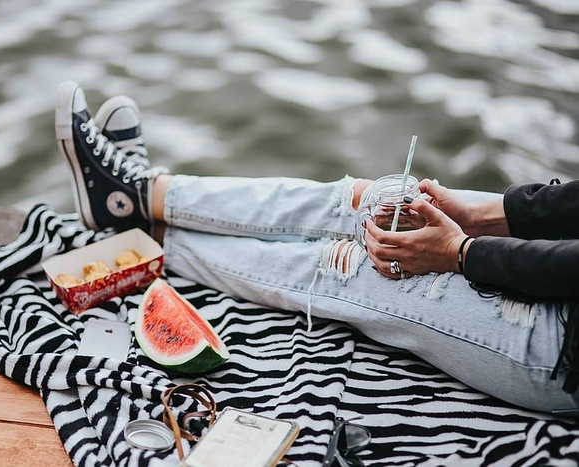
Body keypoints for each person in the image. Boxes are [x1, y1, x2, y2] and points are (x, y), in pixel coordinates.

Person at [54, 81, 579, 415]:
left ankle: (152, 233)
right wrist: (489, 216)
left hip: (559, 352)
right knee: (376, 200)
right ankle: (139, 195)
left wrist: (461, 253)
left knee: (352, 266)